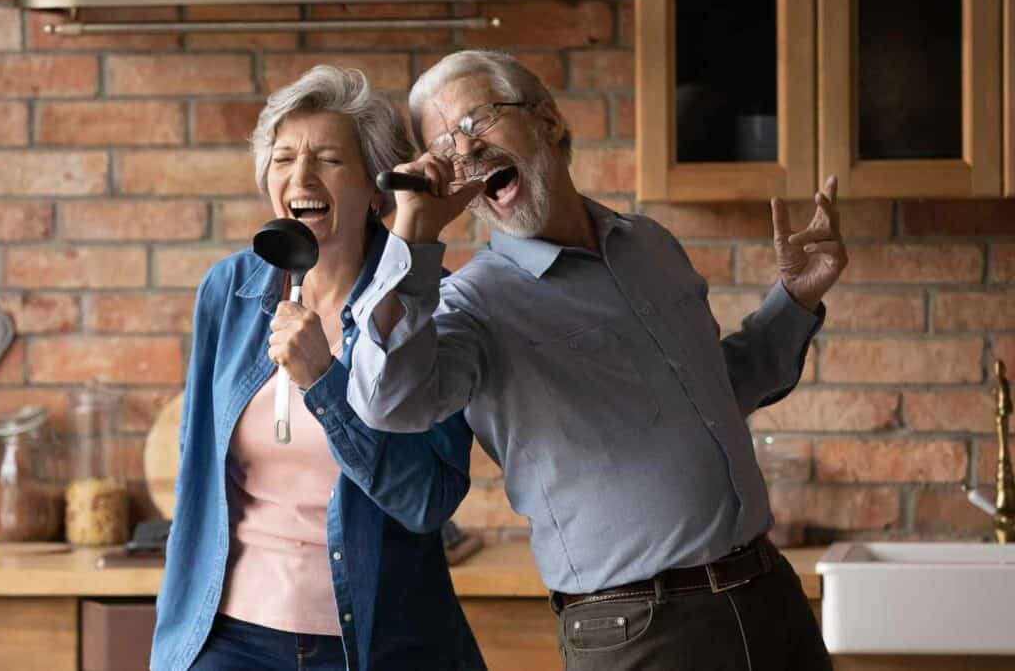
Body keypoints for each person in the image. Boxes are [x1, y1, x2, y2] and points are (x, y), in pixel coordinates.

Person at [346, 49, 847, 670]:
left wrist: (796, 298)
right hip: (638, 627)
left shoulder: (649, 245)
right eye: (442, 147)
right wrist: (414, 236)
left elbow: (723, 389)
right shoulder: (471, 303)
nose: (464, 153)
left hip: (768, 594)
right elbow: (387, 402)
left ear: (548, 121)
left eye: (475, 123)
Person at [151, 65, 485, 671]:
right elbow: (195, 462)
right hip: (230, 636)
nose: (300, 177)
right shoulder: (229, 289)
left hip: (384, 643)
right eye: (283, 160)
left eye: (328, 160)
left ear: (376, 188)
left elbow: (426, 500)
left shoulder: (432, 300)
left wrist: (323, 382)